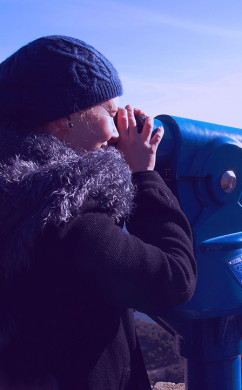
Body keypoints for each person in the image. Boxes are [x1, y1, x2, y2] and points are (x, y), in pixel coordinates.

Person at [0, 36, 196, 389]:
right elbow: (175, 279)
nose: (120, 126)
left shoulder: (16, 193)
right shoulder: (65, 220)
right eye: (109, 111)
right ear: (65, 118)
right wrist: (143, 176)